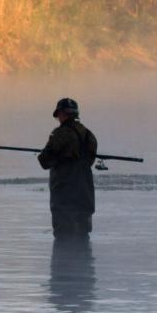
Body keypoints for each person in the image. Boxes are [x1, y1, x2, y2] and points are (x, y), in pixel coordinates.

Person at [38, 97, 98, 236]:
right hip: (85, 190)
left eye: (58, 115)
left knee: (64, 235)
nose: (58, 118)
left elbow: (44, 161)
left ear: (63, 114)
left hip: (64, 191)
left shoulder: (60, 133)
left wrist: (46, 153)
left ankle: (65, 258)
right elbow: (89, 160)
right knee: (83, 234)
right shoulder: (89, 135)